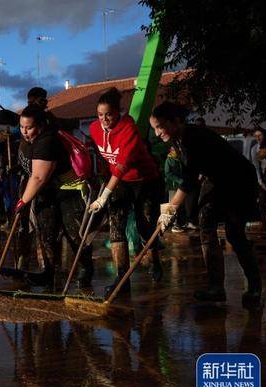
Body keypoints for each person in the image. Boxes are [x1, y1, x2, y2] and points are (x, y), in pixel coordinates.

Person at [150, 102, 263, 306]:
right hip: (217, 181)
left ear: (175, 121)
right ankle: (216, 287)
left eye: (160, 126)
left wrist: (171, 210)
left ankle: (255, 287)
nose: (157, 133)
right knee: (206, 226)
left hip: (239, 180)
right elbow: (193, 173)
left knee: (234, 234)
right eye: (154, 129)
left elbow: (190, 178)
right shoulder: (178, 140)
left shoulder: (193, 137)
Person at [88, 88, 163, 297]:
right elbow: (104, 157)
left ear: (118, 112)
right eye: (100, 115)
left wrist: (103, 197)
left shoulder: (129, 129)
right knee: (116, 226)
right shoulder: (95, 128)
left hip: (144, 181)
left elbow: (121, 166)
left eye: (109, 114)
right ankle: (122, 278)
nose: (104, 119)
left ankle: (154, 260)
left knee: (144, 226)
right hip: (118, 183)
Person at [14, 106, 77, 288]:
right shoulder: (27, 140)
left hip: (66, 191)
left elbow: (38, 176)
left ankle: (85, 269)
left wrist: (23, 201)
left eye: (29, 127)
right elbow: (30, 168)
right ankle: (49, 272)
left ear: (40, 126)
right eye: (22, 127)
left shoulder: (46, 141)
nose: (25, 132)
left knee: (72, 234)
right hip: (44, 192)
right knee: (46, 233)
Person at [250, 128, 266, 236]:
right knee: (262, 204)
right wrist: (260, 181)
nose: (257, 138)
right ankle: (265, 228)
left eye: (259, 135)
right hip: (262, 179)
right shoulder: (254, 149)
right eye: (255, 136)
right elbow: (256, 167)